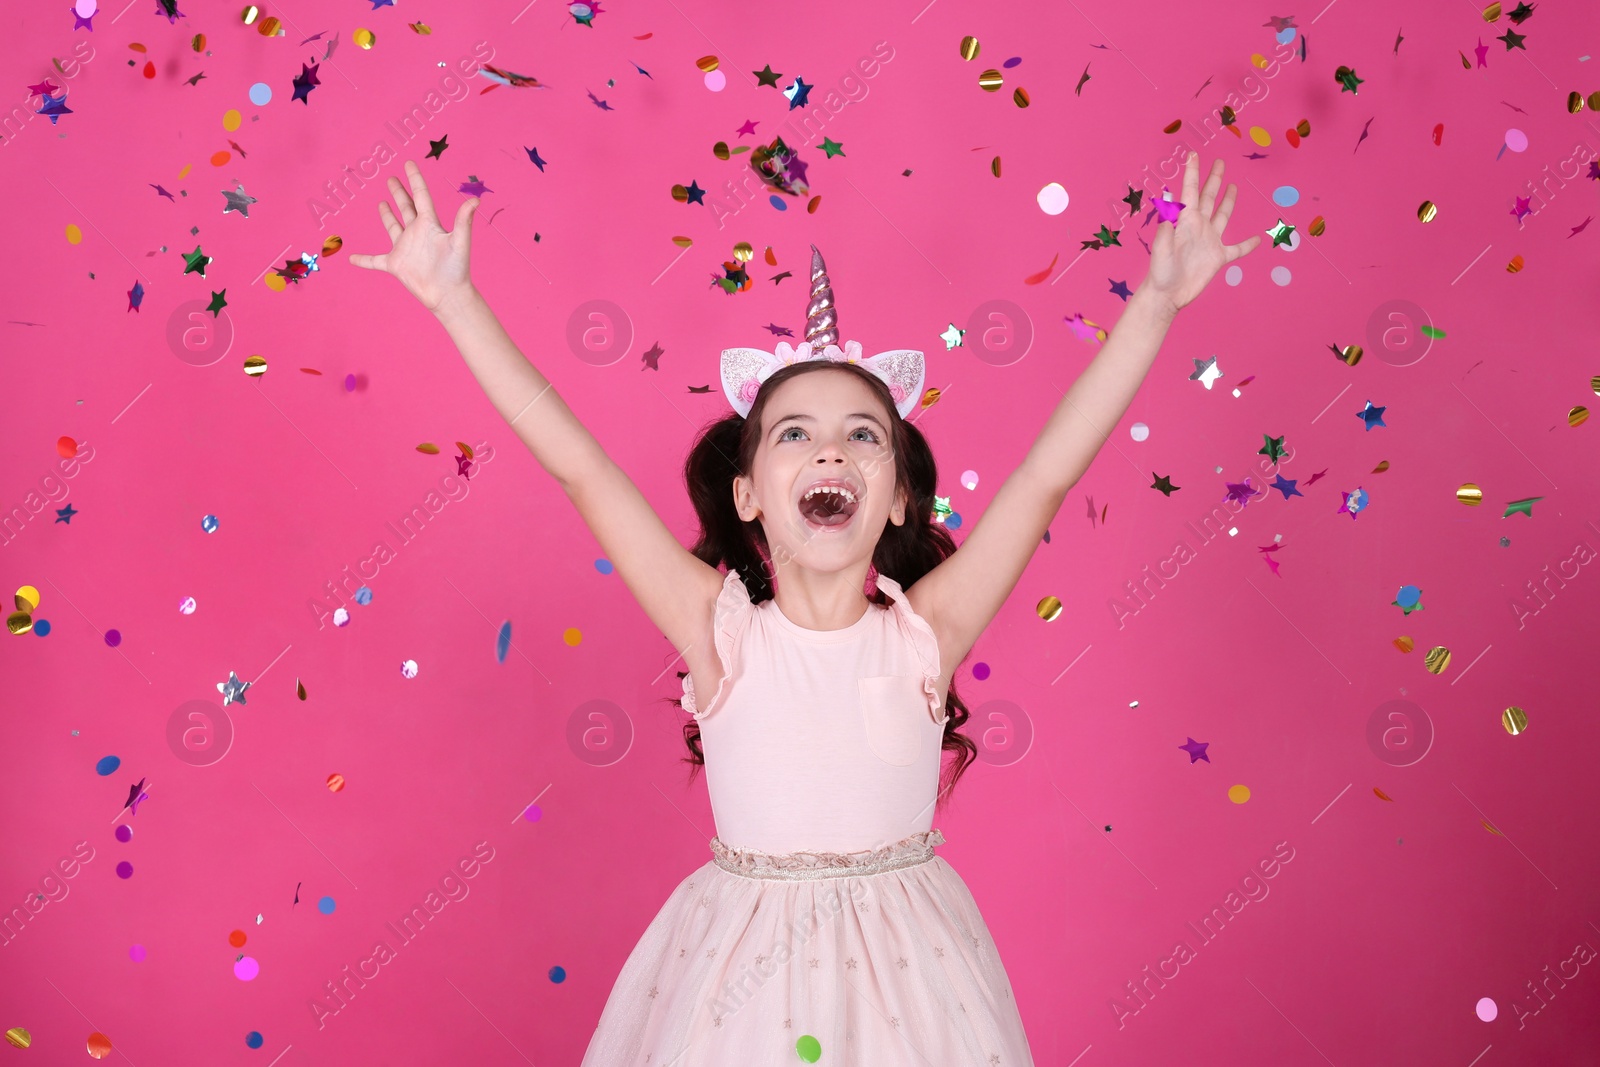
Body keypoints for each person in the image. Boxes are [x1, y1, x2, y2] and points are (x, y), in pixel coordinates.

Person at [351, 152, 1259, 1065]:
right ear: (748, 494)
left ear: (900, 497)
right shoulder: (719, 631)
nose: (832, 453)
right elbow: (581, 468)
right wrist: (454, 301)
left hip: (915, 985)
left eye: (863, 436)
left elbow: (1043, 477)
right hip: (741, 981)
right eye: (796, 434)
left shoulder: (924, 633)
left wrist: (1155, 304)